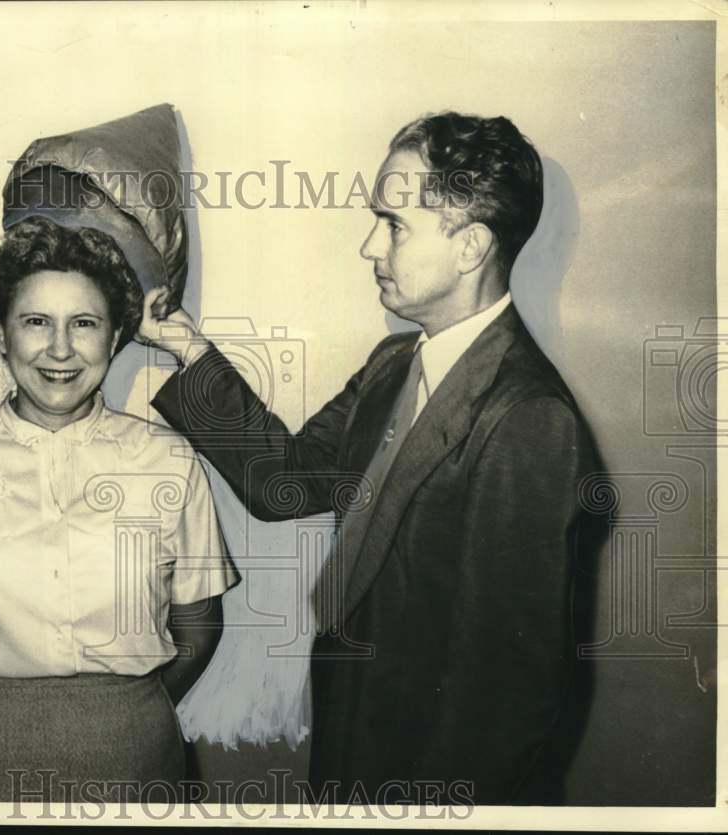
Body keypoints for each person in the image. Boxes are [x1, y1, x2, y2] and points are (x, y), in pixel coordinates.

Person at [138, 111, 595, 805]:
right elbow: (283, 481)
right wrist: (189, 351)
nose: (367, 246)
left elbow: (507, 700)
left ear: (470, 244)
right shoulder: (393, 365)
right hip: (355, 749)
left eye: (393, 223)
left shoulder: (530, 417)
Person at [0, 216, 239, 802]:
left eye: (84, 324)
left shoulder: (168, 461)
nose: (60, 350)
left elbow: (199, 626)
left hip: (136, 756)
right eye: (36, 322)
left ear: (114, 338)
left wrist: (125, 712)